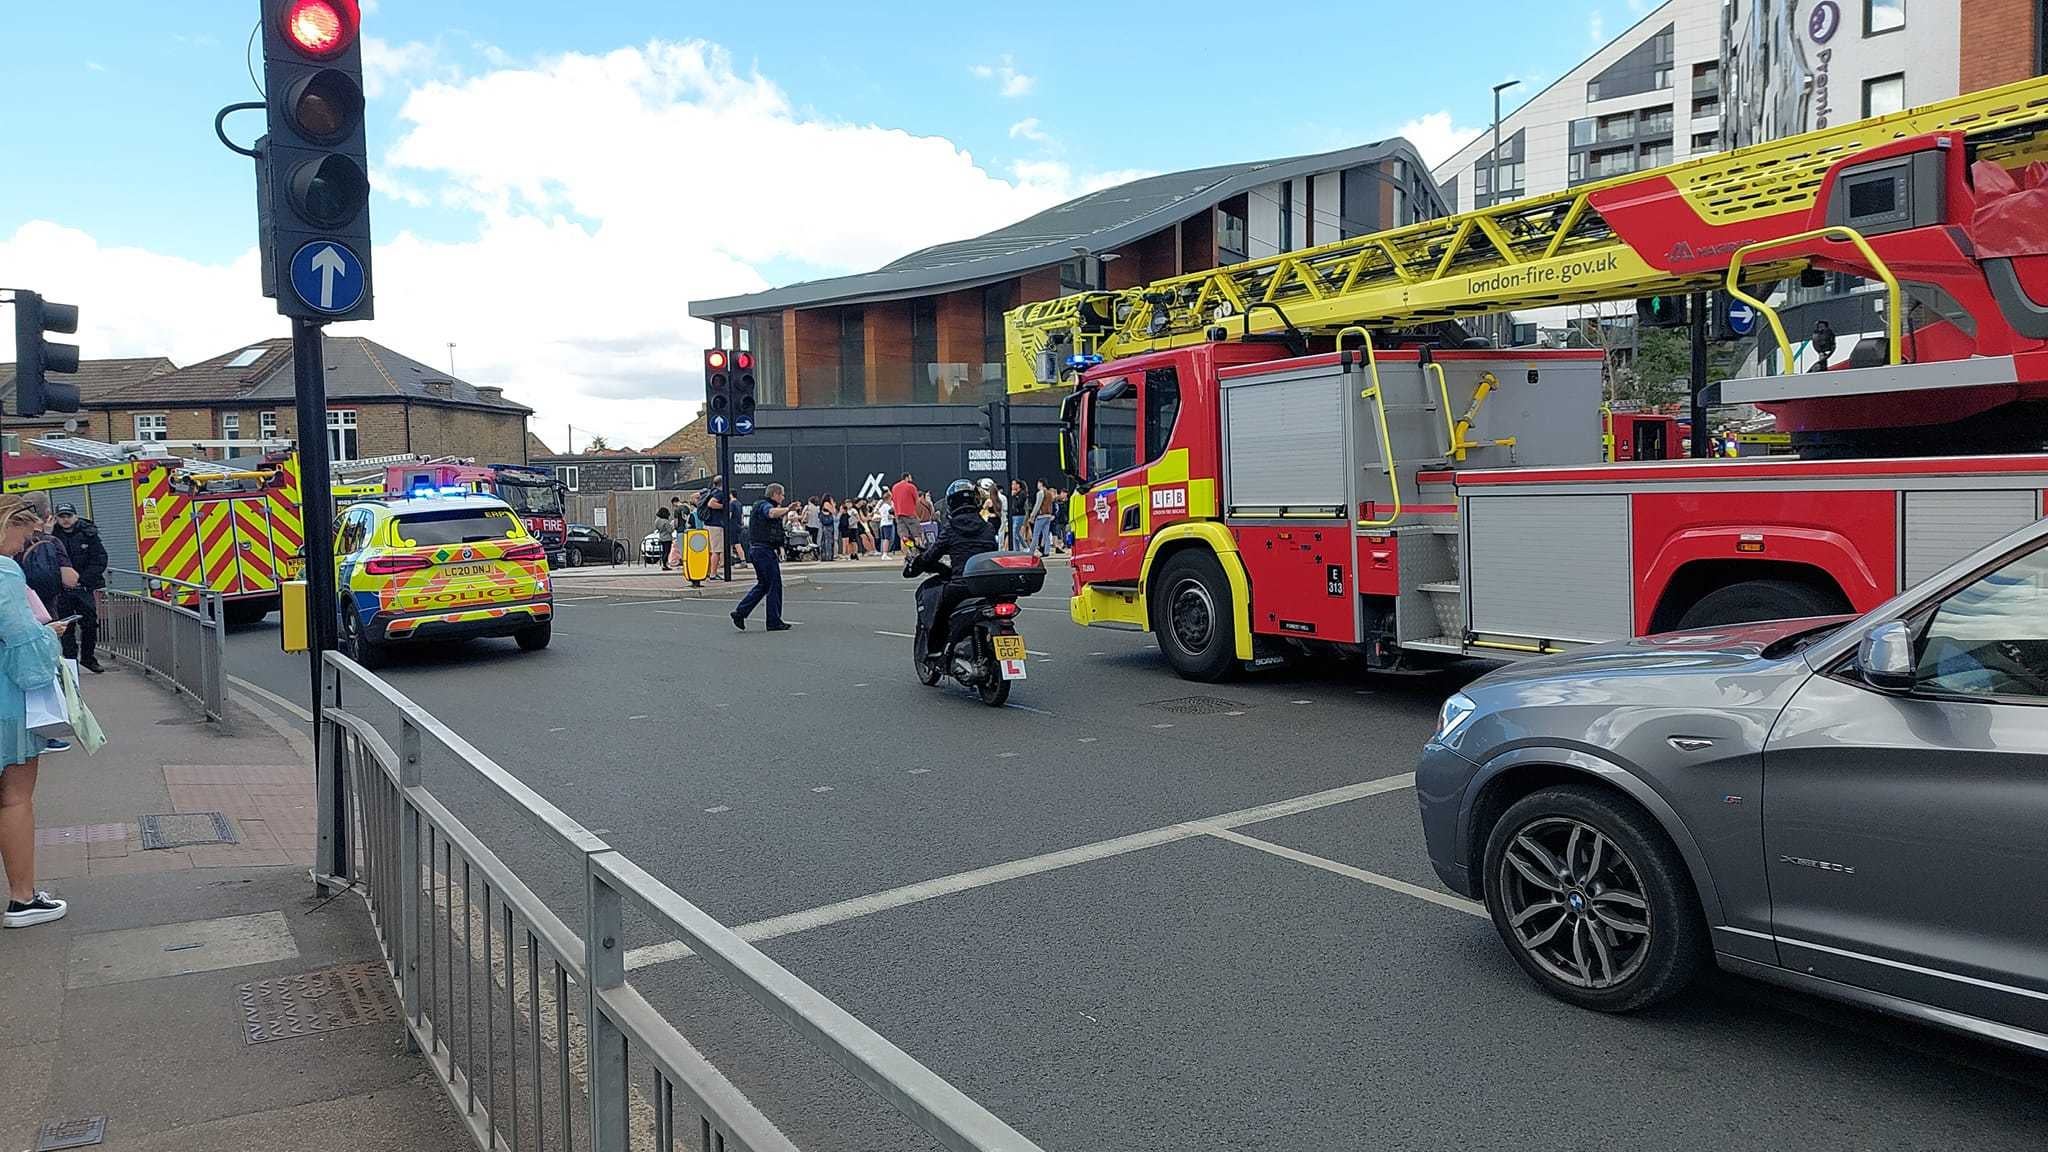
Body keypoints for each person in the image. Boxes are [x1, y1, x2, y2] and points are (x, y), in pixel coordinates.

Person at [0, 494, 70, 928]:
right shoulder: (3, 572)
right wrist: (52, 636)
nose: (20, 550)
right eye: (22, 539)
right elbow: (25, 648)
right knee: (14, 798)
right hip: (5, 702)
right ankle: (23, 901)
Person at [908, 479, 1000, 658]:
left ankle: (935, 650)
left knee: (939, 612)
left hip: (960, 585)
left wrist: (921, 561)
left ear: (951, 503)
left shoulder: (951, 528)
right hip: (987, 585)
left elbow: (932, 554)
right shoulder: (987, 527)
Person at [50, 503, 106, 673]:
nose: (65, 520)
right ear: (56, 518)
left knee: (89, 625)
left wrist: (82, 580)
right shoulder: (52, 535)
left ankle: (88, 659)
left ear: (75, 516)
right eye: (61, 516)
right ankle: (70, 663)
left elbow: (99, 559)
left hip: (83, 587)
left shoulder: (88, 533)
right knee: (66, 628)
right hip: (61, 590)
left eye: (68, 516)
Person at [731, 483, 793, 632]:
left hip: (759, 550)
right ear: (775, 494)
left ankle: (740, 612)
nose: (783, 498)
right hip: (763, 550)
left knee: (763, 585)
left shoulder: (759, 504)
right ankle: (773, 621)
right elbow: (771, 513)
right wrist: (787, 510)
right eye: (782, 495)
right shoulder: (764, 505)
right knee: (774, 585)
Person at [698, 478, 729, 580]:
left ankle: (706, 572)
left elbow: (695, 497)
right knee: (717, 551)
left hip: (707, 524)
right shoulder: (720, 493)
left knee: (709, 551)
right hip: (716, 525)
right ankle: (713, 574)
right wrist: (724, 506)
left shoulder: (710, 492)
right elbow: (711, 504)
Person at [889, 472, 922, 559]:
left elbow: (893, 500)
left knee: (904, 536)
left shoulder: (894, 487)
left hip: (898, 514)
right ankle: (917, 551)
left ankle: (908, 552)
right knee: (916, 534)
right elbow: (917, 501)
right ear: (907, 477)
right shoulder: (911, 486)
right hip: (910, 514)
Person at [1030, 479, 1056, 558]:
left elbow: (1037, 505)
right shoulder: (1049, 493)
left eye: (1038, 483)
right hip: (1048, 516)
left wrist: (1032, 515)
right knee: (1046, 534)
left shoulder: (1040, 493)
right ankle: (1046, 551)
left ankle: (1031, 551)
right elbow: (1051, 505)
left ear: (1041, 484)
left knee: (1036, 534)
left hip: (1041, 516)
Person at [1006, 480, 1028, 554]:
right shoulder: (1013, 494)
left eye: (1014, 484)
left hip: (1019, 515)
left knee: (1014, 532)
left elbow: (1018, 504)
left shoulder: (1022, 493)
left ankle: (1018, 549)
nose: (1012, 486)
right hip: (1013, 515)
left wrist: (1014, 496)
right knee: (1016, 533)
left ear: (1018, 485)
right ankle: (1023, 547)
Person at [817, 493, 838, 562]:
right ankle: (828, 556)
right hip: (827, 524)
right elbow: (834, 511)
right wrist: (833, 505)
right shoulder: (827, 504)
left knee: (825, 540)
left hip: (826, 525)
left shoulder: (824, 504)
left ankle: (825, 556)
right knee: (828, 540)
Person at [653, 506, 675, 570]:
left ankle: (663, 564)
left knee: (663, 552)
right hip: (667, 538)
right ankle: (665, 564)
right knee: (667, 552)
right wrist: (673, 526)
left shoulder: (657, 521)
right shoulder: (666, 521)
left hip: (661, 537)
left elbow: (657, 528)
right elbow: (670, 530)